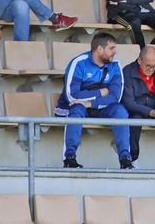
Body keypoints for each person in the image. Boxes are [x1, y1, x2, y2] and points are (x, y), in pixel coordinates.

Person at [57, 32, 133, 169]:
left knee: (120, 110)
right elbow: (72, 96)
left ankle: (125, 159)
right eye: (111, 48)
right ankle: (69, 158)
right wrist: (100, 92)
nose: (115, 52)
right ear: (100, 49)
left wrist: (90, 103)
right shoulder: (79, 63)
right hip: (73, 107)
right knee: (77, 109)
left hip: (99, 107)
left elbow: (115, 97)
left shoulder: (115, 65)